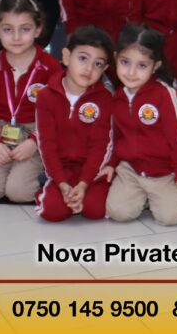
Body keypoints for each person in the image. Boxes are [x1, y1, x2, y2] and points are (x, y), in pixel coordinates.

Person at [0, 0, 60, 203]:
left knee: (18, 192)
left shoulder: (51, 67)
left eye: (25, 29)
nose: (17, 37)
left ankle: (47, 173)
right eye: (8, 29)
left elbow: (58, 114)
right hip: (1, 134)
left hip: (38, 135)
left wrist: (35, 142)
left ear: (38, 29)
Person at [102, 25, 177, 225]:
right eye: (125, 62)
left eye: (142, 66)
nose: (131, 72)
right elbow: (117, 137)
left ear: (155, 66)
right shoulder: (117, 97)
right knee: (118, 213)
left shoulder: (165, 94)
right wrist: (112, 164)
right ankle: (143, 198)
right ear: (115, 58)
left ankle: (155, 198)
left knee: (171, 217)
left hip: (164, 172)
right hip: (131, 170)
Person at [34, 25, 113, 222]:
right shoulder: (46, 96)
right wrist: (62, 183)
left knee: (94, 210)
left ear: (105, 69)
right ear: (67, 57)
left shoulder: (104, 99)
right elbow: (47, 145)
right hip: (61, 171)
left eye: (98, 64)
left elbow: (100, 146)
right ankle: (48, 188)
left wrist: (84, 183)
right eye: (83, 58)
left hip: (93, 172)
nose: (89, 68)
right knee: (52, 212)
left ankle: (86, 192)